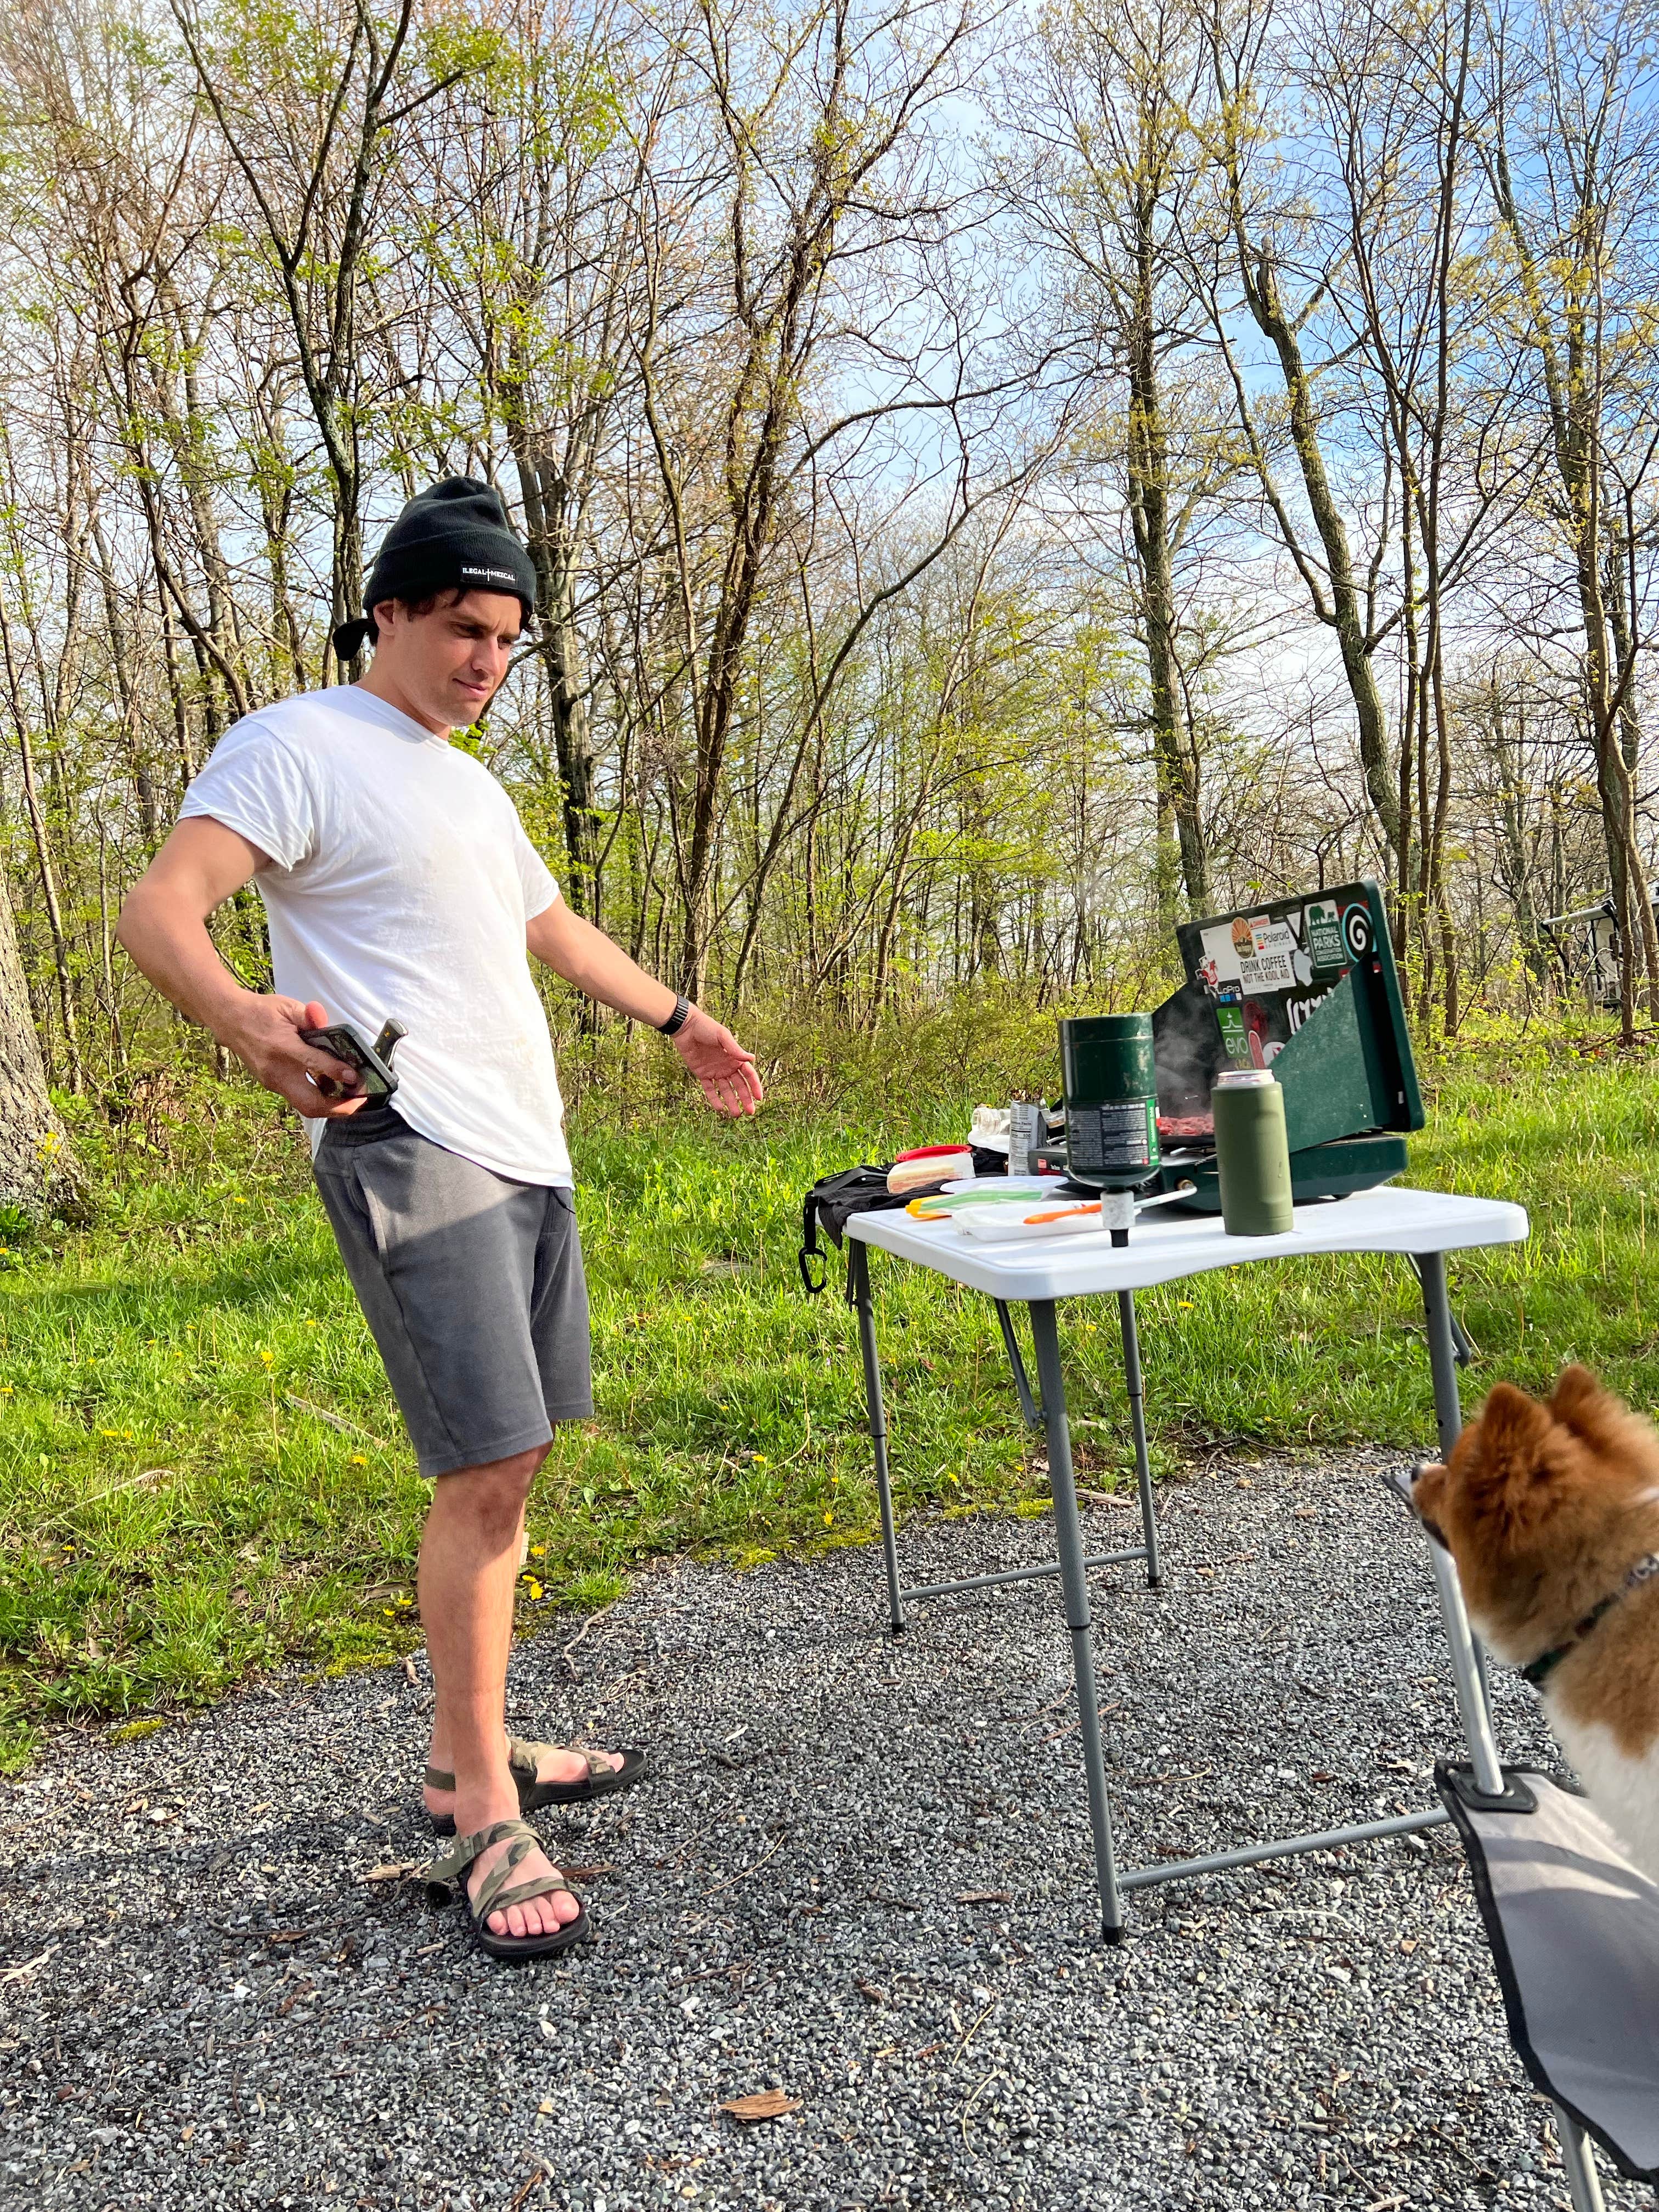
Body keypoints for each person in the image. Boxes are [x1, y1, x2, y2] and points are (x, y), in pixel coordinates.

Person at [118, 477, 763, 1963]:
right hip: (413, 1140)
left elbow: (545, 924)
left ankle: (461, 1747)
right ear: (390, 612)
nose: (487, 661)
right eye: (466, 628)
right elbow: (162, 911)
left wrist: (680, 1018)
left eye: (508, 641)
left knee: (518, 1460)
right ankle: (482, 1805)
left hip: (526, 1145)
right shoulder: (299, 745)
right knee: (480, 1468)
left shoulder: (469, 783)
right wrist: (245, 1023)